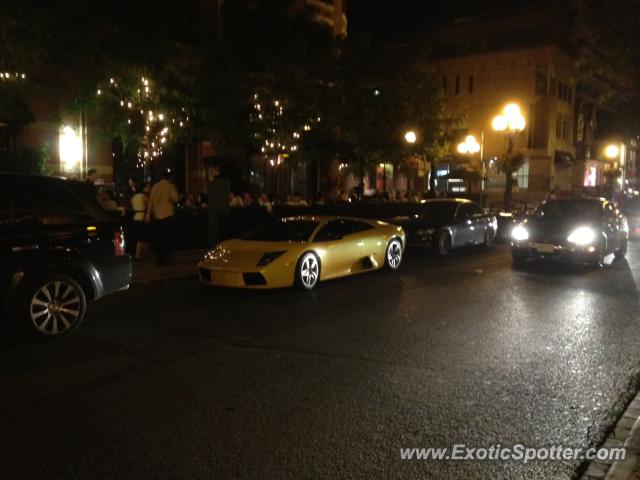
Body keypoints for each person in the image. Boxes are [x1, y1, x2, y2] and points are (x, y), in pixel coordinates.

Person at [146, 170, 180, 265]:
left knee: (159, 237)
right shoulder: (170, 186)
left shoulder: (155, 187)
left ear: (161, 177)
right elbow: (175, 199)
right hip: (167, 215)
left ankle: (159, 258)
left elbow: (150, 201)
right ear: (170, 178)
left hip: (156, 216)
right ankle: (166, 258)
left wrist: (148, 214)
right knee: (167, 237)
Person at [130, 183, 150, 261]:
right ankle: (138, 255)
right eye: (147, 187)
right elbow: (148, 205)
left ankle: (136, 253)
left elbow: (132, 205)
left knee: (136, 237)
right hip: (141, 218)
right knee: (141, 238)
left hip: (135, 218)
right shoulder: (143, 196)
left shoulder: (134, 197)